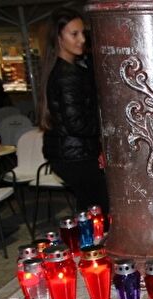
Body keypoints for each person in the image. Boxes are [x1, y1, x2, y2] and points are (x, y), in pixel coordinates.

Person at [40, 8, 108, 215]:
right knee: (99, 210)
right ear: (59, 38)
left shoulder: (66, 69)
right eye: (74, 34)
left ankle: (89, 245)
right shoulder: (66, 75)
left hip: (72, 153)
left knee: (90, 209)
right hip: (74, 155)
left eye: (82, 33)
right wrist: (108, 127)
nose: (81, 39)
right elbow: (76, 123)